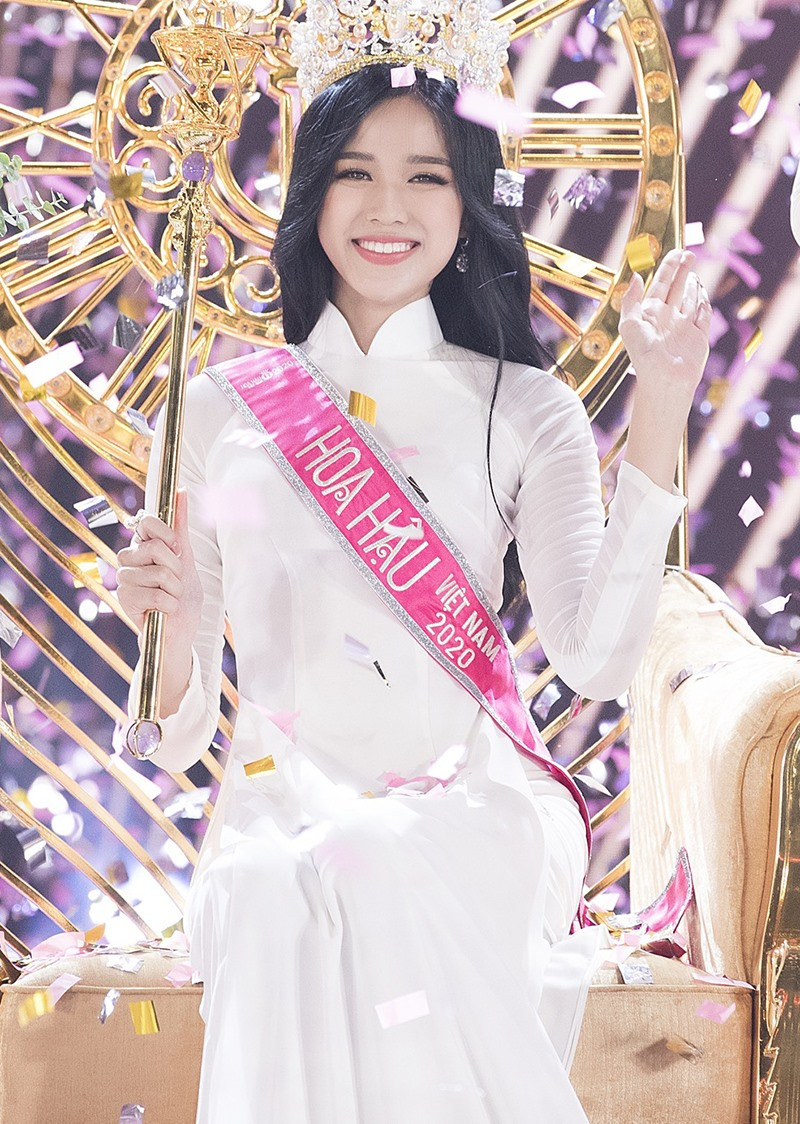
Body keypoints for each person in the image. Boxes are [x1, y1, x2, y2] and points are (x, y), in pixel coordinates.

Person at [116, 55, 710, 1124]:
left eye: (426, 176)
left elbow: (595, 660)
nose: (387, 206)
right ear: (312, 195)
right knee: (269, 888)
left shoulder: (524, 409)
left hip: (472, 802)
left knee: (378, 858)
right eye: (355, 172)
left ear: (469, 203)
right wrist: (170, 623)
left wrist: (661, 400)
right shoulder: (219, 410)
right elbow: (178, 727)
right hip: (276, 806)